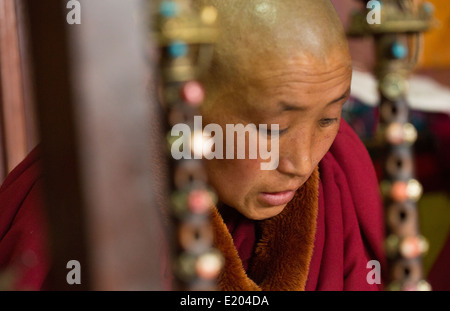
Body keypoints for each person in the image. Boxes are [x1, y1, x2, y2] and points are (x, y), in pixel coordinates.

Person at [0, 0, 386, 290]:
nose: (301, 162)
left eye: (327, 119)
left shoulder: (339, 171)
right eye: (272, 129)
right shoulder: (86, 201)